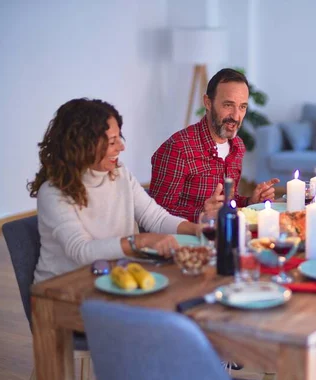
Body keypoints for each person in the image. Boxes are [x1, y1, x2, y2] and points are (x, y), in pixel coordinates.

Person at [28, 98, 198, 283]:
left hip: (116, 278)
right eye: (112, 142)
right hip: (63, 290)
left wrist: (197, 230)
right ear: (84, 146)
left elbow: (156, 218)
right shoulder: (53, 193)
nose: (122, 147)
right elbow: (82, 252)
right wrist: (140, 241)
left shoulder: (120, 174)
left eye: (119, 138)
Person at [150, 68, 279, 222]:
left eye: (242, 107)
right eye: (228, 105)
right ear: (208, 103)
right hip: (188, 241)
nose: (236, 116)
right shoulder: (178, 148)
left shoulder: (237, 146)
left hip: (224, 236)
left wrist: (250, 202)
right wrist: (202, 214)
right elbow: (155, 214)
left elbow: (229, 202)